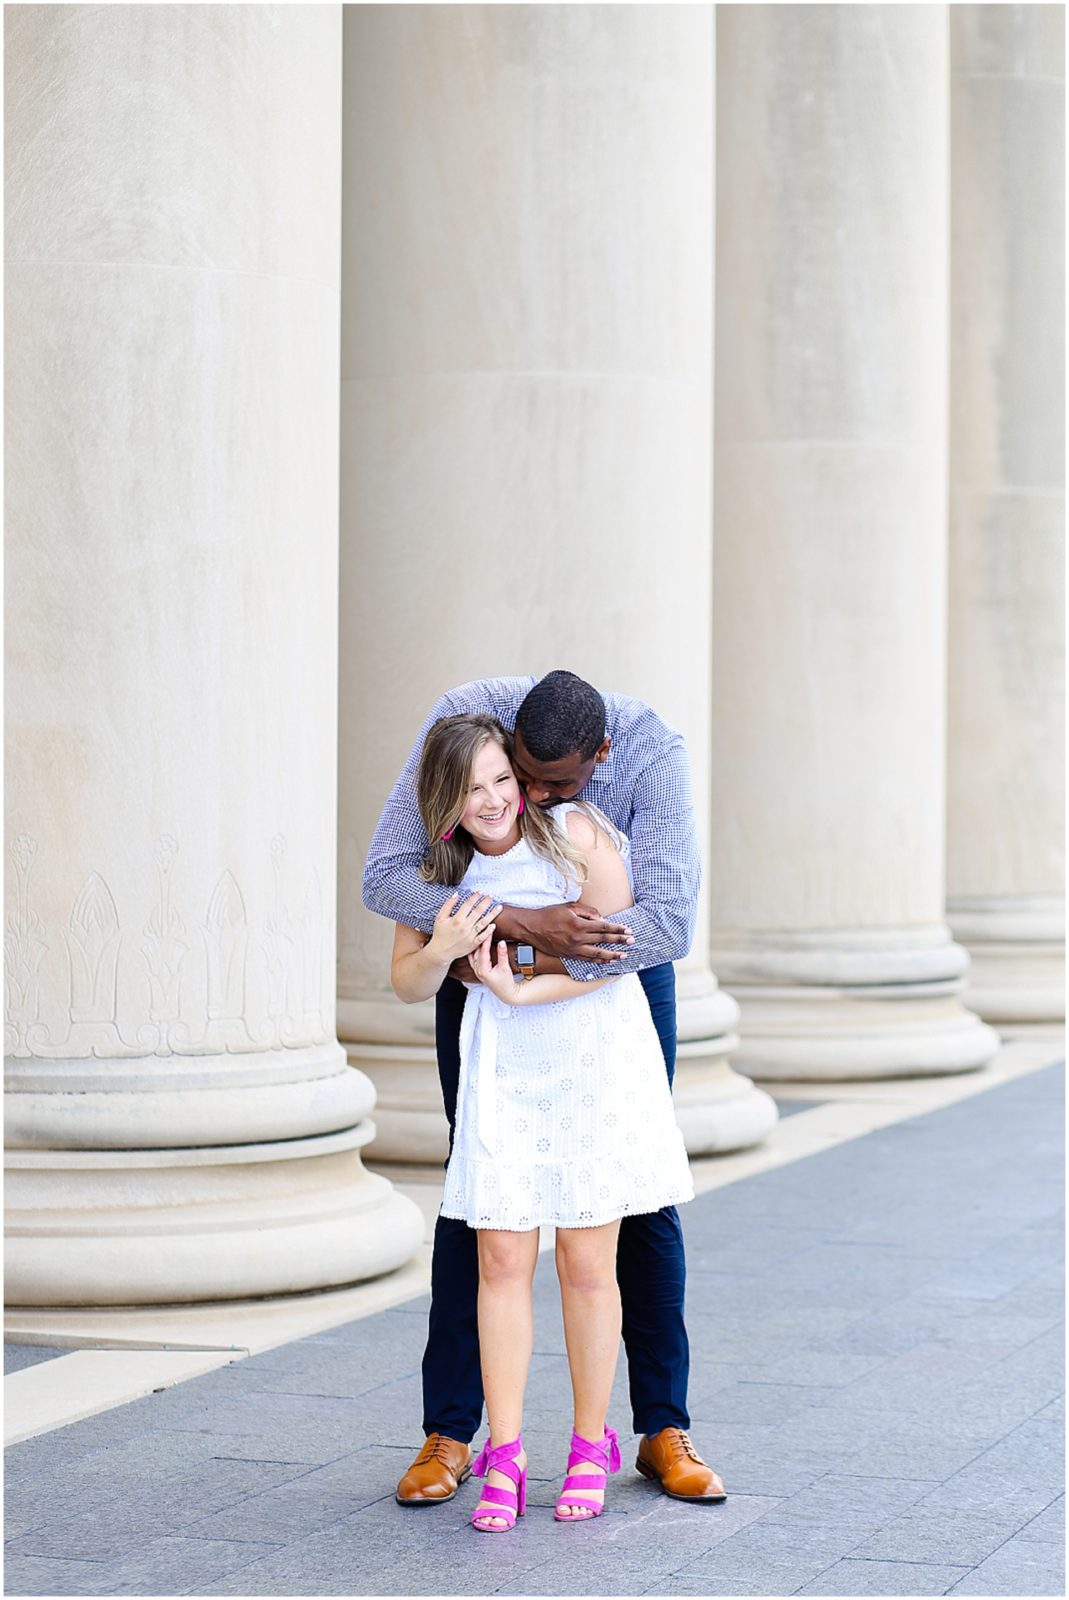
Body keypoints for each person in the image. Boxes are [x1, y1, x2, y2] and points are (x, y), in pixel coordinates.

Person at [363, 670, 727, 1506]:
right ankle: (451, 1433)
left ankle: (660, 1426)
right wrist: (522, 926)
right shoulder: (466, 721)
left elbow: (665, 922)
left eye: (548, 784)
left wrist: (538, 963)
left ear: (598, 759)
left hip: (612, 974)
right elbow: (388, 876)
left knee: (631, 1199)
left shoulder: (646, 755)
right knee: (482, 1200)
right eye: (513, 773)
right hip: (496, 978)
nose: (525, 796)